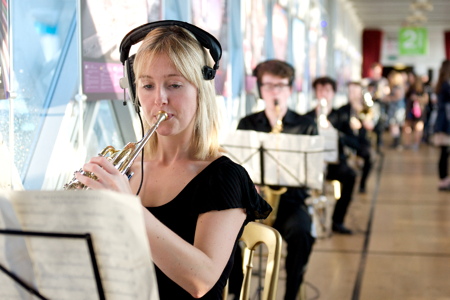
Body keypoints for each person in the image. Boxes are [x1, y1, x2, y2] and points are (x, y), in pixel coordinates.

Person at [74, 21, 271, 299]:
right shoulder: (124, 167)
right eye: (147, 85)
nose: (159, 99)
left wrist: (128, 208)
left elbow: (201, 280)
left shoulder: (225, 177)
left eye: (174, 84)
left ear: (201, 90)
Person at [231, 59, 317, 300]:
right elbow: (236, 169)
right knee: (223, 230)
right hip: (253, 202)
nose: (274, 91)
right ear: (260, 89)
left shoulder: (306, 126)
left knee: (302, 233)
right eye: (268, 85)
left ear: (290, 88)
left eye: (280, 85)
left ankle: (290, 294)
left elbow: (310, 176)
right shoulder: (246, 124)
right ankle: (238, 290)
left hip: (290, 203)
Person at [306, 76, 357, 234]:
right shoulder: (306, 118)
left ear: (333, 93)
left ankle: (337, 220)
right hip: (312, 165)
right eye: (320, 90)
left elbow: (354, 143)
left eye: (327, 90)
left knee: (350, 176)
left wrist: (334, 132)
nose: (323, 94)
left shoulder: (341, 117)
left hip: (334, 163)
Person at [346, 81, 375, 193]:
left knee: (369, 156)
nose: (352, 94)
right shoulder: (343, 110)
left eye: (354, 91)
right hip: (347, 140)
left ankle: (362, 183)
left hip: (360, 141)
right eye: (350, 91)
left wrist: (364, 123)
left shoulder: (364, 108)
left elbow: (371, 125)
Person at [433, 59, 450, 191]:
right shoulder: (445, 85)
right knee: (444, 153)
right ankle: (444, 180)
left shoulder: (442, 84)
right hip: (446, 124)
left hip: (443, 123)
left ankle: (444, 179)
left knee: (444, 153)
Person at [403, 72, 429, 151]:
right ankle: (407, 144)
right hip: (409, 110)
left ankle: (416, 144)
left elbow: (426, 99)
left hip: (418, 111)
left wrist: (417, 98)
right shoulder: (409, 87)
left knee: (418, 128)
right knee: (407, 127)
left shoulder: (422, 88)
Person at [384, 70, 406, 149]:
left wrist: (388, 98)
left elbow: (398, 97)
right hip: (396, 108)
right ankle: (396, 142)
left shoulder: (398, 86)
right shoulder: (397, 86)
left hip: (396, 109)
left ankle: (397, 143)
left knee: (394, 124)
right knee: (394, 125)